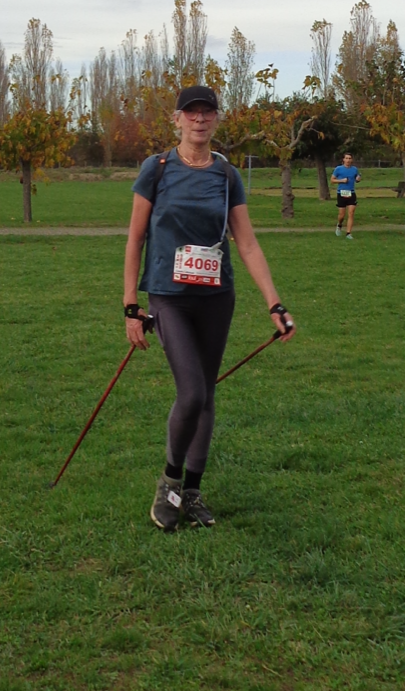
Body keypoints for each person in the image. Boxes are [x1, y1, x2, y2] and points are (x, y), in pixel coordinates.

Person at [123, 86, 295, 532]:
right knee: (193, 393)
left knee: (207, 395)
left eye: (207, 112)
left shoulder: (226, 173)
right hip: (169, 296)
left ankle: (193, 491)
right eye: (191, 112)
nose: (199, 119)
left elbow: (247, 243)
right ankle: (169, 484)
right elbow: (135, 238)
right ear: (177, 119)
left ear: (217, 119)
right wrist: (130, 306)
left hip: (217, 297)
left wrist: (274, 302)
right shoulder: (157, 168)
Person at [331, 153, 361, 239]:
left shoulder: (354, 169)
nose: (348, 160)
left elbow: (357, 178)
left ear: (352, 160)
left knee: (351, 213)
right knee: (342, 215)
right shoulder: (338, 169)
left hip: (351, 193)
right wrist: (342, 180)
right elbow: (332, 180)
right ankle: (339, 225)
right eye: (346, 158)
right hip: (341, 193)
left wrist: (358, 179)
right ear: (343, 159)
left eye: (349, 158)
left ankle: (348, 233)